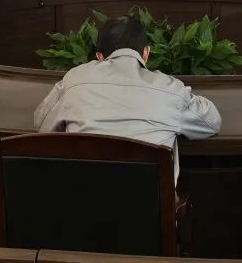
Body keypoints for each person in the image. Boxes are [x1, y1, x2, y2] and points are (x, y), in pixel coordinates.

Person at [34, 16, 221, 179]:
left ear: (99, 56)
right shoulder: (170, 89)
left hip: (82, 202)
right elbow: (211, 122)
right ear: (146, 53)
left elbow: (41, 123)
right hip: (149, 207)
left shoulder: (75, 79)